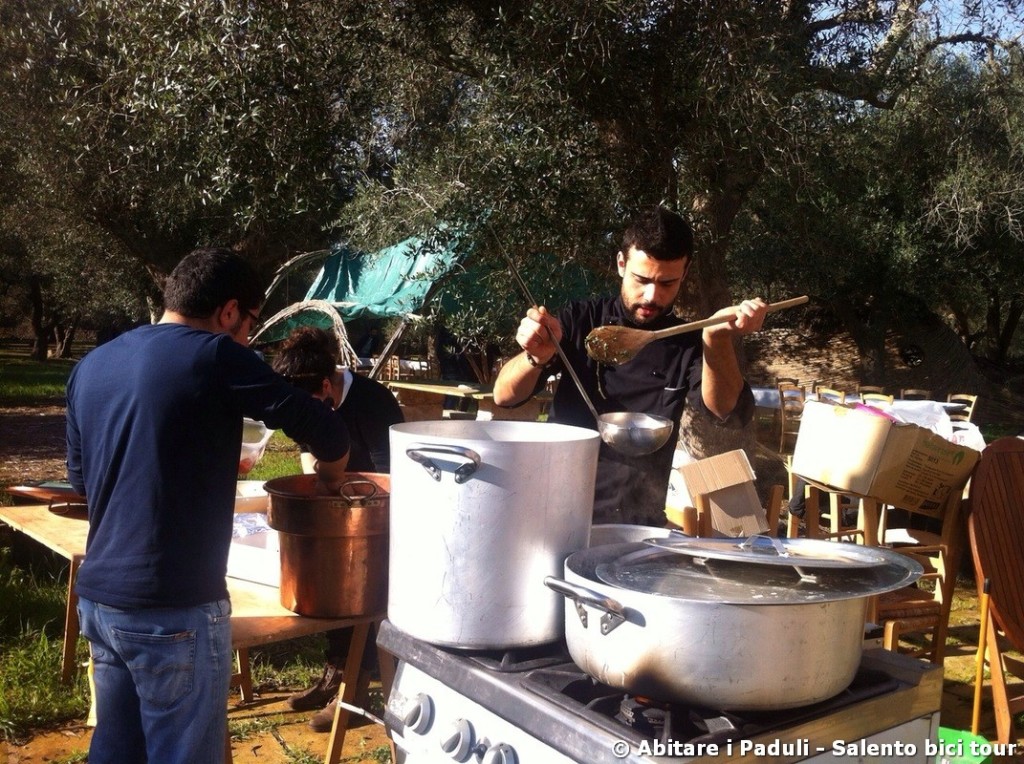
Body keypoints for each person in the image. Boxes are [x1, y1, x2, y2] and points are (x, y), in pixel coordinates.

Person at [66, 248, 352, 764]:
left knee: (115, 752)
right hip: (174, 608)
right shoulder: (214, 353)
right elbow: (325, 430)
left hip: (101, 603)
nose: (247, 338)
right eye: (249, 324)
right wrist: (332, 477)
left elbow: (83, 483)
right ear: (228, 312)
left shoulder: (90, 366)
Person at [493, 206, 768, 526]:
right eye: (642, 279)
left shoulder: (690, 343)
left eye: (667, 283)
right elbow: (504, 396)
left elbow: (726, 412)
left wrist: (716, 339)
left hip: (638, 519)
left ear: (685, 273)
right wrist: (535, 356)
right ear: (622, 264)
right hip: (552, 509)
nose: (652, 295)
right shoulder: (580, 320)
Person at [270, 326, 404, 731]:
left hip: (377, 515)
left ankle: (355, 688)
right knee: (328, 592)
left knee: (361, 602)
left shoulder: (373, 403)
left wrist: (341, 483)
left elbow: (391, 473)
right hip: (337, 511)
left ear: (327, 385)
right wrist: (312, 466)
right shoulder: (307, 395)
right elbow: (308, 447)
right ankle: (334, 676)